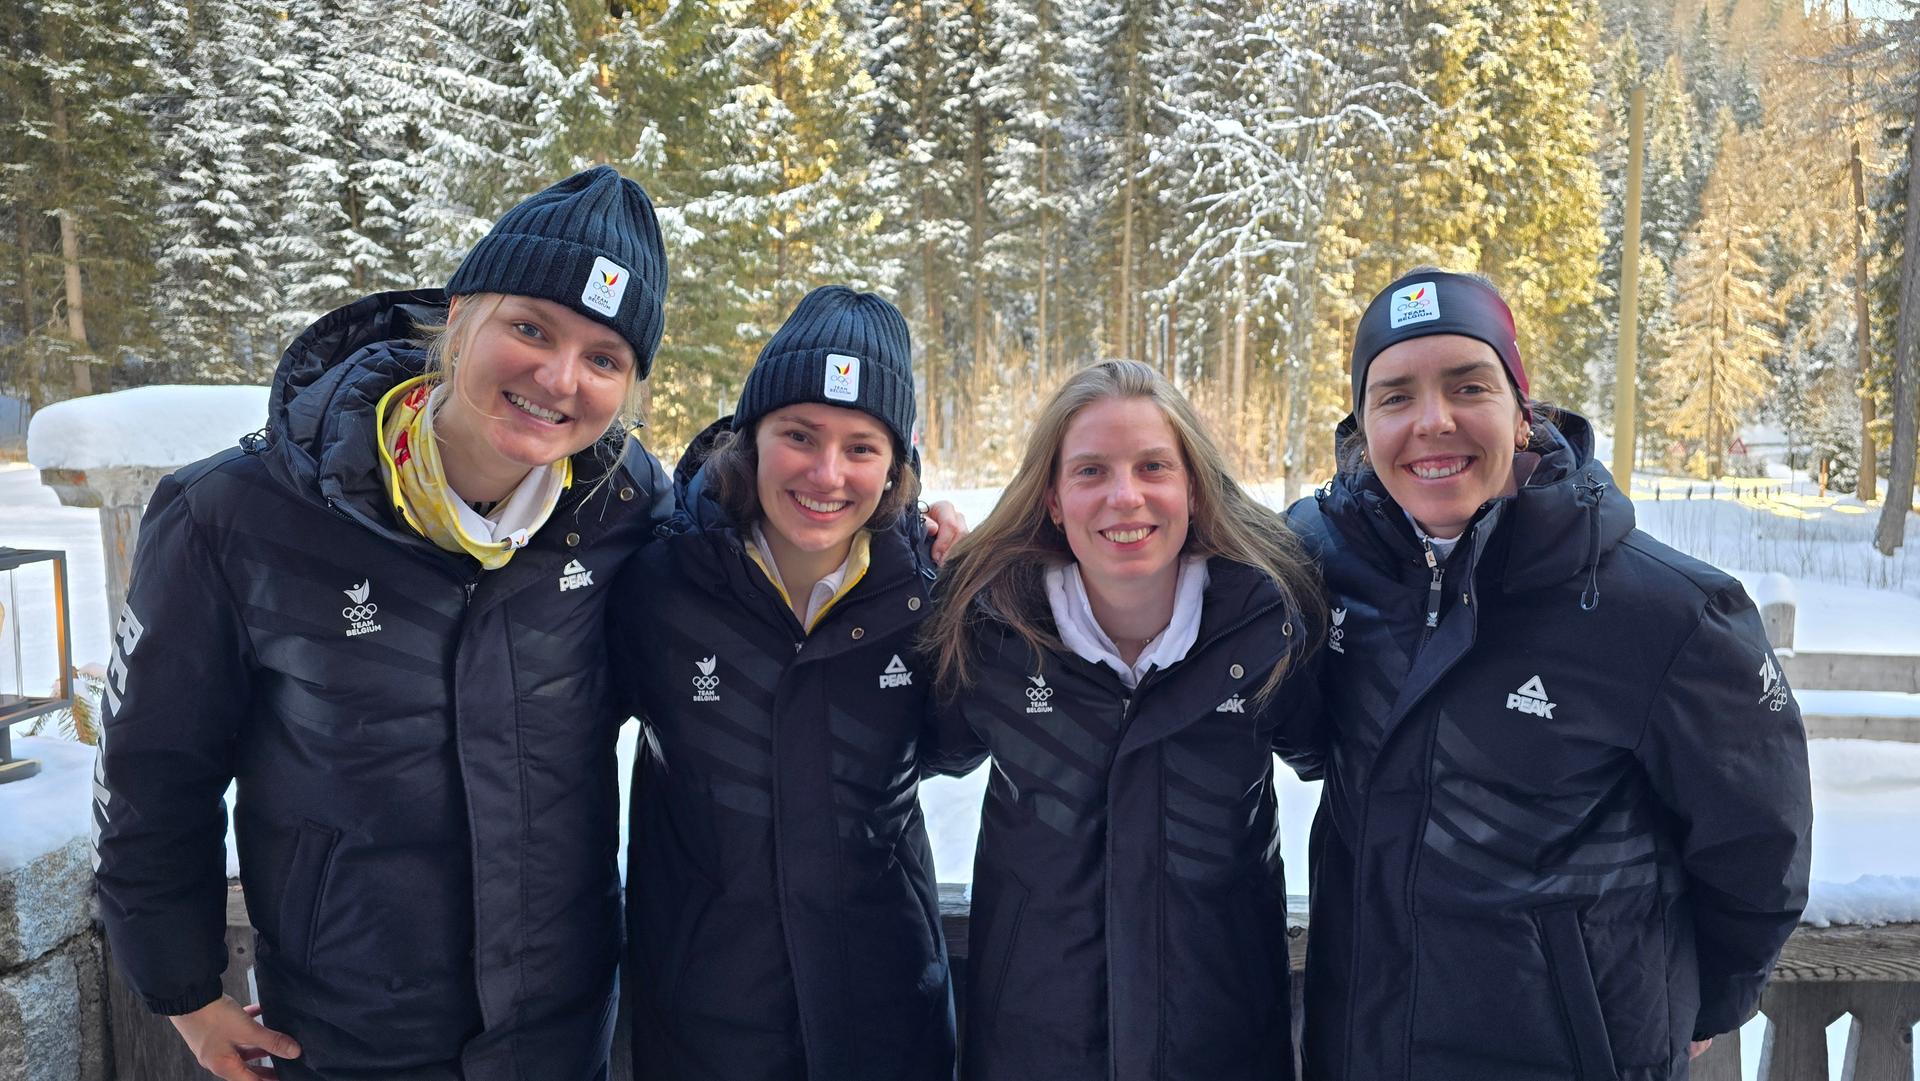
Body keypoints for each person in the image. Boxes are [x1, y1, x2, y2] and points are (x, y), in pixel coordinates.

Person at [92, 166, 675, 1081]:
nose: (559, 377)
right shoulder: (234, 514)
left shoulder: (625, 506)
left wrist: (904, 539)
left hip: (557, 1032)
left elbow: (742, 576)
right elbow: (153, 772)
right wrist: (183, 989)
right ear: (458, 316)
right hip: (346, 1035)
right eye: (531, 328)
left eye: (604, 358)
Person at [1285, 268, 1813, 1081]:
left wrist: (1711, 1000)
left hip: (1572, 1054)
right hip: (1364, 1042)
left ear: (1521, 408)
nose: (1433, 421)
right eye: (1394, 396)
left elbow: (1757, 841)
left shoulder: (1667, 612)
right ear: (1360, 423)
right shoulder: (1322, 563)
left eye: (1468, 385)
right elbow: (1313, 735)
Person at [920, 359, 1324, 1081]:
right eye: (1091, 471)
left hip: (1223, 1047)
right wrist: (906, 546)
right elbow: (928, 746)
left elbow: (1330, 746)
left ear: (1193, 488)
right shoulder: (994, 635)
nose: (1125, 496)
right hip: (1033, 1050)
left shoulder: (1266, 629)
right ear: (1051, 496)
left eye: (1152, 466)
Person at [609, 285, 955, 1081]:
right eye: (799, 433)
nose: (826, 473)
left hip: (888, 1013)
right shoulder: (660, 583)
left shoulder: (927, 598)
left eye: (862, 446)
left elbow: (965, 742)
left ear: (897, 463)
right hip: (706, 1022)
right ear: (751, 436)